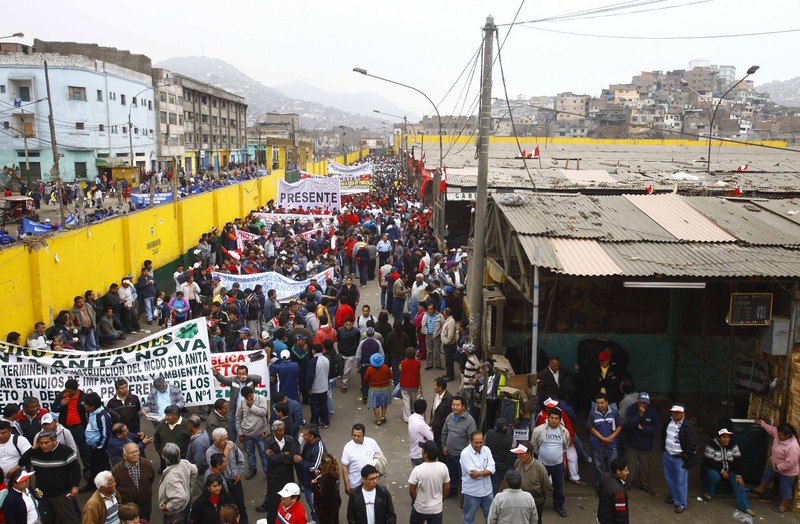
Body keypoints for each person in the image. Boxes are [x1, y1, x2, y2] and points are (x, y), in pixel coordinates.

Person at [701, 421, 754, 516]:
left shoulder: (733, 444)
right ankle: (709, 492)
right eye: (724, 437)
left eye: (728, 437)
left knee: (739, 483)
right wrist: (722, 471)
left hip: (730, 470)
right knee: (713, 476)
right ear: (718, 437)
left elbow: (738, 460)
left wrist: (738, 475)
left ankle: (745, 506)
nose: (726, 439)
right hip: (716, 469)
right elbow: (709, 461)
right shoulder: (711, 444)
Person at [29, 430, 81, 524]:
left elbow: (75, 470)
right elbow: (22, 461)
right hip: (43, 495)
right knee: (47, 520)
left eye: (46, 442)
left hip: (61, 495)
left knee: (68, 520)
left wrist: (75, 486)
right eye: (41, 443)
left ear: (55, 441)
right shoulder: (35, 453)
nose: (43, 446)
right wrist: (32, 448)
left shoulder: (65, 451)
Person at [752, 419, 800, 514]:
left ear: (787, 436)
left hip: (788, 472)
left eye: (780, 434)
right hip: (776, 466)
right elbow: (772, 430)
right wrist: (763, 423)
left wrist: (779, 467)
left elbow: (791, 463)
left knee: (785, 488)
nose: (777, 435)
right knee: (767, 473)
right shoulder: (779, 435)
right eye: (778, 433)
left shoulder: (793, 447)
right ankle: (760, 488)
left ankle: (784, 505)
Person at [255, 420, 298, 521]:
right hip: (274, 478)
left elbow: (293, 456)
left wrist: (278, 457)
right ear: (274, 431)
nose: (282, 432)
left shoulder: (290, 440)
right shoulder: (269, 442)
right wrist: (284, 454)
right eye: (279, 430)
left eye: (283, 430)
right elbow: (270, 459)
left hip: (287, 476)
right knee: (273, 502)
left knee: (290, 500)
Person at [531, 408, 570, 518]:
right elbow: (534, 445)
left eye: (556, 419)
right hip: (542, 464)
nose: (553, 420)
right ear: (547, 418)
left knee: (559, 487)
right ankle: (537, 505)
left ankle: (558, 506)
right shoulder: (539, 430)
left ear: (560, 420)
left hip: (558, 464)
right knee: (539, 486)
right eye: (551, 418)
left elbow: (565, 446)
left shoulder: (564, 432)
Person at [204, 428, 248, 524]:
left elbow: (240, 459)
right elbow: (216, 469)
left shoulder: (232, 445)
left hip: (235, 481)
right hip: (223, 485)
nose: (225, 442)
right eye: (222, 440)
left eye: (226, 438)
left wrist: (239, 473)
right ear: (215, 440)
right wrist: (226, 453)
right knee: (228, 509)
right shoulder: (210, 452)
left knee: (241, 506)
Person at [660, 403, 697, 514]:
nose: (674, 414)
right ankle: (675, 497)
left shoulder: (688, 427)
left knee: (681, 481)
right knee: (669, 478)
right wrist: (664, 449)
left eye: (677, 413)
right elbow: (663, 436)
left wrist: (684, 456)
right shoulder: (668, 422)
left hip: (679, 458)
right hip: (668, 455)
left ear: (683, 414)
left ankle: (681, 503)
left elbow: (692, 444)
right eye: (673, 412)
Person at [441, 396, 476, 498]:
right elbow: (445, 432)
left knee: (463, 477)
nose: (455, 407)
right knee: (451, 474)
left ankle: (464, 497)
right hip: (449, 453)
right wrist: (444, 445)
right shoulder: (450, 417)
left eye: (457, 405)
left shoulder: (470, 421)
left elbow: (472, 439)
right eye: (453, 405)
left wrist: (465, 453)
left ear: (463, 406)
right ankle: (452, 491)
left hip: (461, 455)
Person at [624, 392, 658, 495]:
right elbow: (631, 424)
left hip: (645, 444)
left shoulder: (652, 412)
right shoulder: (631, 409)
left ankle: (644, 484)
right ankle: (627, 483)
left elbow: (656, 427)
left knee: (645, 466)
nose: (644, 405)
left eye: (646, 403)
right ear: (638, 400)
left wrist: (644, 428)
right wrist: (639, 415)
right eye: (642, 402)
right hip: (632, 443)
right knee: (630, 465)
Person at [586, 393, 622, 490]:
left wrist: (611, 437)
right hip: (597, 446)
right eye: (597, 403)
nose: (600, 405)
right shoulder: (592, 413)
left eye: (602, 402)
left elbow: (619, 426)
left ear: (607, 402)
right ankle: (600, 487)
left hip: (611, 446)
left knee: (612, 467)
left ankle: (612, 487)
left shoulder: (614, 412)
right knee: (598, 468)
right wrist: (603, 439)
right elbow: (591, 428)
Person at [112, 442, 156, 522]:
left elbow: (152, 479)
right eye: (132, 452)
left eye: (137, 451)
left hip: (145, 505)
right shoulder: (117, 470)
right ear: (124, 456)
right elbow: (115, 488)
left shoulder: (148, 465)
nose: (135, 454)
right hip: (128, 508)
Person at [408, 440, 450, 524]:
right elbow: (447, 487)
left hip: (420, 508)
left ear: (426, 454)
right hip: (436, 509)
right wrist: (441, 500)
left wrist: (415, 500)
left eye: (423, 450)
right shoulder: (443, 467)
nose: (421, 451)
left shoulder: (418, 469)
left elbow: (412, 490)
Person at [460, 431, 495, 524]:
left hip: (488, 491)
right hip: (472, 493)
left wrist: (480, 472)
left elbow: (492, 468)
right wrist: (486, 471)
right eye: (476, 442)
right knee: (468, 520)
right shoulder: (465, 453)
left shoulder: (487, 450)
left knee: (491, 518)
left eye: (481, 442)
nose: (479, 445)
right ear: (471, 441)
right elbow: (473, 475)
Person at [235, 386, 269, 480]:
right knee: (250, 454)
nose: (249, 399)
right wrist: (240, 433)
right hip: (247, 433)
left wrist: (252, 406)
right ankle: (252, 469)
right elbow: (238, 418)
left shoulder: (261, 399)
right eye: (247, 397)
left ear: (253, 392)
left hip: (260, 433)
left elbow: (263, 412)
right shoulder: (241, 403)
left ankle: (268, 472)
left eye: (250, 396)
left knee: (263, 454)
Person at [511, 441, 550, 524]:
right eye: (518, 454)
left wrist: (540, 495)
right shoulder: (517, 462)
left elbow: (546, 485)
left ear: (529, 453)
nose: (519, 456)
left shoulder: (539, 467)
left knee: (536, 520)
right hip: (520, 500)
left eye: (521, 454)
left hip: (536, 501)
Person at [294, 424, 326, 523]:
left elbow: (314, 467)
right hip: (306, 481)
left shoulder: (319, 448)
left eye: (305, 435)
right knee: (311, 503)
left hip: (313, 483)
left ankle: (318, 520)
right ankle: (314, 518)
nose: (303, 436)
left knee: (314, 504)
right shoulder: (309, 443)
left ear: (312, 436)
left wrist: (301, 461)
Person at [158, 442, 197, 523]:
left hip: (175, 513)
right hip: (185, 506)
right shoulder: (184, 463)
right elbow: (195, 470)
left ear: (165, 458)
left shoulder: (171, 477)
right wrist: (189, 484)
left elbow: (181, 497)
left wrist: (167, 507)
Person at [82, 392, 112, 491]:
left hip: (99, 449)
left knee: (104, 469)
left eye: (86, 404)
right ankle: (92, 485)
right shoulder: (91, 413)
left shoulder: (102, 416)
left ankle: (110, 489)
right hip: (92, 447)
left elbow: (105, 435)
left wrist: (98, 447)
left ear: (93, 406)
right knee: (93, 468)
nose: (84, 406)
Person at [341, 423, 382, 495]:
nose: (356, 438)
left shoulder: (371, 442)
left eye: (358, 436)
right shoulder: (348, 447)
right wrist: (346, 484)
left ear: (363, 434)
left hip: (370, 482)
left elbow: (379, 456)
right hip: (355, 484)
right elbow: (344, 466)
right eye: (354, 435)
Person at [154, 405, 191, 472]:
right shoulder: (163, 424)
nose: (166, 417)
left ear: (176, 415)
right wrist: (158, 449)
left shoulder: (187, 424)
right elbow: (156, 436)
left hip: (181, 459)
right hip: (165, 459)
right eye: (166, 415)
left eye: (168, 415)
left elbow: (192, 439)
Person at [484, 418, 514, 495]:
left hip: (488, 463)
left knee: (485, 482)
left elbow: (484, 444)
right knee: (495, 484)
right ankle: (491, 502)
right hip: (501, 466)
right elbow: (513, 448)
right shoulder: (510, 440)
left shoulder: (489, 434)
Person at [312, 453, 342, 524]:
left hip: (326, 510)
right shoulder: (335, 473)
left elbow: (322, 497)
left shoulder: (328, 479)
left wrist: (314, 485)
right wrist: (321, 473)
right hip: (335, 504)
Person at [596, 457, 629, 524]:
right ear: (618, 471)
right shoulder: (619, 492)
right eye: (625, 470)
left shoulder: (605, 476)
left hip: (603, 516)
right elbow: (621, 514)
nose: (628, 472)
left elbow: (599, 491)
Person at [363, 353, 392, 425]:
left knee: (375, 405)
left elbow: (365, 378)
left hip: (374, 389)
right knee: (384, 404)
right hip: (385, 389)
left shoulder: (369, 369)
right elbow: (391, 375)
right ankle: (383, 416)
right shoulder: (385, 367)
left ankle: (378, 420)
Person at [307, 343, 331, 428]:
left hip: (316, 388)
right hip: (324, 387)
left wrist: (309, 387)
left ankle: (315, 423)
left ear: (313, 350)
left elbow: (310, 376)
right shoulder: (326, 359)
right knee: (324, 405)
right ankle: (325, 421)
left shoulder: (313, 362)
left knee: (315, 407)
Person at [400, 347, 423, 423]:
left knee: (406, 401)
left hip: (404, 384)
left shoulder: (403, 363)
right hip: (414, 385)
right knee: (413, 400)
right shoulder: (418, 363)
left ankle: (407, 417)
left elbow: (400, 369)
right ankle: (413, 411)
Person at [430, 378, 454, 449]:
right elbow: (433, 410)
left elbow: (449, 415)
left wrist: (439, 425)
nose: (433, 387)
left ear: (440, 388)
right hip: (435, 428)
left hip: (441, 430)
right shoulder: (436, 395)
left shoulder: (449, 399)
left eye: (435, 385)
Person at [422, 304, 443, 371]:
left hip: (436, 336)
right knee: (429, 351)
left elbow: (443, 325)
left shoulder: (440, 316)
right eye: (428, 309)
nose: (429, 311)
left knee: (437, 351)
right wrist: (425, 331)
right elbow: (423, 324)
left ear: (434, 309)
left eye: (431, 309)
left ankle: (438, 364)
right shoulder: (425, 315)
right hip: (428, 335)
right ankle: (429, 364)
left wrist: (440, 333)